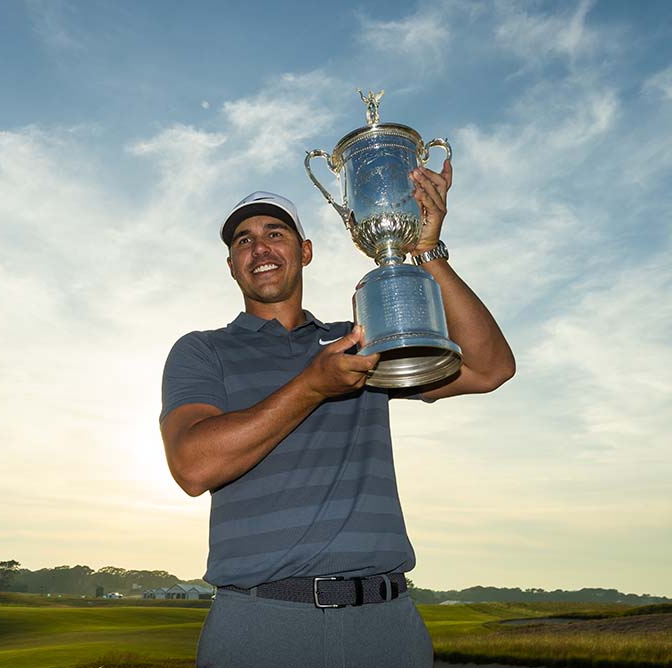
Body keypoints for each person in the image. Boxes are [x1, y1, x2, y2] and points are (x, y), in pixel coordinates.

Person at [160, 162, 515, 668]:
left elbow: (490, 368)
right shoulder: (202, 351)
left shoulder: (359, 337)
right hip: (261, 624)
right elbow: (193, 466)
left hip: (384, 623)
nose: (259, 249)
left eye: (274, 233)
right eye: (243, 241)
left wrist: (425, 252)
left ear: (304, 252)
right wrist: (312, 385)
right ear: (232, 265)